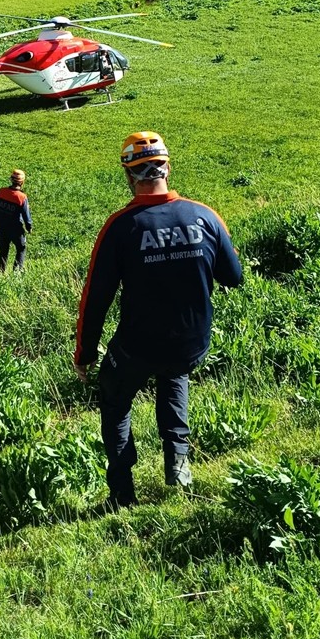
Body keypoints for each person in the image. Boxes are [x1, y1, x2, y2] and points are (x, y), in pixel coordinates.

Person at [73, 131, 242, 509]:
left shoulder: (119, 227)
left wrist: (84, 353)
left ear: (129, 176)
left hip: (136, 346)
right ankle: (178, 468)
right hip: (190, 342)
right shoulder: (205, 216)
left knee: (115, 402)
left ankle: (122, 493)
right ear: (168, 167)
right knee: (174, 373)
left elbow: (95, 299)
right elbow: (234, 277)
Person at [0, 169, 33, 272]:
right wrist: (29, 227)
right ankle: (16, 273)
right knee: (21, 248)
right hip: (15, 229)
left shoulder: (1, 192)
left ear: (11, 180)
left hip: (1, 227)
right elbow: (26, 215)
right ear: (22, 182)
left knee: (3, 251)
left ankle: (1, 271)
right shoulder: (22, 197)